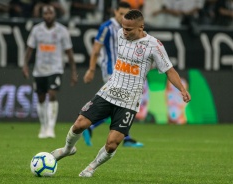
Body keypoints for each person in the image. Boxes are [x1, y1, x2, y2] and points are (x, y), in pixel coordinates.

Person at [51, 9, 191, 177]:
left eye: (129, 29)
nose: (124, 32)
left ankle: (91, 167)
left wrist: (182, 89)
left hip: (129, 102)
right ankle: (67, 149)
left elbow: (169, 70)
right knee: (80, 123)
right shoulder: (119, 34)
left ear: (141, 27)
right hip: (108, 92)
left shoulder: (154, 45)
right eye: (123, 28)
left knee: (112, 144)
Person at [83, 1, 143, 148]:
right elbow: (96, 49)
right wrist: (91, 69)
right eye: (121, 14)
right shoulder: (107, 27)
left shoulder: (130, 28)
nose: (123, 16)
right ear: (115, 12)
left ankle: (91, 127)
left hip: (127, 71)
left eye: (126, 14)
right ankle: (125, 137)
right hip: (111, 71)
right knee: (122, 103)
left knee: (119, 105)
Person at [22, 5, 77, 139]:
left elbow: (69, 52)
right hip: (39, 69)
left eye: (50, 13)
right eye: (45, 14)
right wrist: (25, 65)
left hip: (55, 68)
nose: (48, 16)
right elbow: (29, 49)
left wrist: (73, 71)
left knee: (52, 94)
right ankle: (43, 125)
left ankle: (51, 128)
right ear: (42, 16)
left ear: (55, 15)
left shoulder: (62, 31)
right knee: (41, 98)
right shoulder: (36, 30)